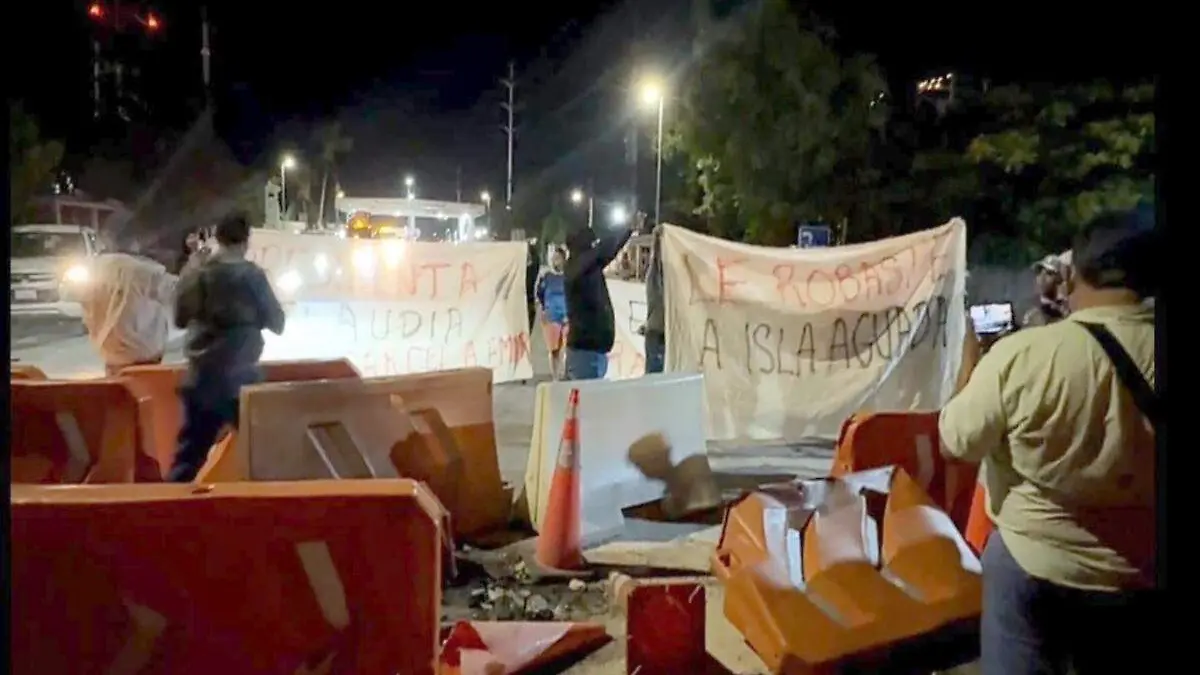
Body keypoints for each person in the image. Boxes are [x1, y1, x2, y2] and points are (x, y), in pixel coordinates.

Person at [939, 208, 1159, 675]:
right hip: (1140, 572)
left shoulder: (1024, 355)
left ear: (1073, 276)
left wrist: (971, 362)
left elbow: (955, 442)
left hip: (1030, 566)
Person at [168, 211, 286, 482]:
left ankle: (172, 504)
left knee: (188, 459)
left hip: (202, 380)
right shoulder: (253, 276)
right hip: (242, 382)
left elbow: (180, 318)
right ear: (246, 240)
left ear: (217, 238)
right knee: (269, 456)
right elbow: (277, 322)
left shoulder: (197, 273)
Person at [73, 244, 179, 377]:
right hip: (144, 357)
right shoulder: (143, 272)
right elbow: (182, 292)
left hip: (111, 356)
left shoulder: (95, 269)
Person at [563, 221, 634, 380]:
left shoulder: (588, 266)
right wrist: (626, 230)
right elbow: (603, 250)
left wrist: (627, 231)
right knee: (586, 394)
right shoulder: (577, 268)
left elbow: (609, 251)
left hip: (593, 350)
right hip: (584, 352)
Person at [535, 246, 569, 380]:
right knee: (554, 349)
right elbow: (540, 293)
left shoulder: (569, 276)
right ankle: (555, 376)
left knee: (568, 347)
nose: (555, 261)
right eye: (554, 258)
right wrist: (544, 308)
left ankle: (565, 373)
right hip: (552, 316)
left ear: (564, 260)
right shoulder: (547, 277)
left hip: (567, 316)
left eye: (558, 258)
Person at [642, 224, 666, 374]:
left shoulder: (671, 283)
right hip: (656, 333)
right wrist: (656, 240)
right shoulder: (654, 280)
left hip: (664, 333)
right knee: (654, 374)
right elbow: (655, 260)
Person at [1021, 253, 1069, 326]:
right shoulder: (1027, 307)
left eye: (1049, 273)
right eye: (1039, 272)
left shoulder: (1067, 305)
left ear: (1058, 278)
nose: (1042, 278)